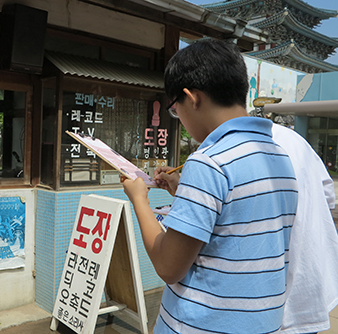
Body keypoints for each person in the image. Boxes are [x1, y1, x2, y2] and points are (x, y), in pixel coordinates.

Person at [123, 39, 298, 333]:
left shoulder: (208, 162)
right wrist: (183, 191)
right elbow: (237, 219)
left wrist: (139, 200)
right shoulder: (278, 155)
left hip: (200, 324)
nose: (180, 118)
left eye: (176, 109)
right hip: (261, 323)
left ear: (192, 98)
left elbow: (168, 266)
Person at [271, 123, 338, 333]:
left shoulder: (224, 151)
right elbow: (329, 197)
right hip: (311, 284)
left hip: (267, 300)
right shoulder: (294, 139)